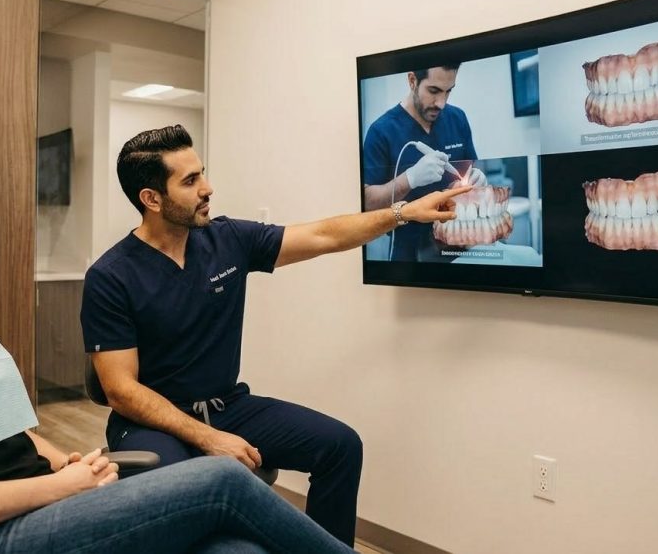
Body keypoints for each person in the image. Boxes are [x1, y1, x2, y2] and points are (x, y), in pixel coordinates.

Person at [0, 154, 359, 554]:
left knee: (235, 546)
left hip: (36, 503)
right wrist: (58, 487)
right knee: (221, 481)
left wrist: (64, 459)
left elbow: (7, 433)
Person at [81, 125, 470, 545]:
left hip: (226, 405)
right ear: (151, 199)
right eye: (190, 181)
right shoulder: (111, 276)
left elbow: (324, 235)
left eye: (203, 174)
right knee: (195, 497)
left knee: (340, 446)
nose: (207, 188)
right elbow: (121, 390)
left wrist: (404, 213)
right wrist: (208, 438)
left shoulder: (226, 239)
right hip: (150, 422)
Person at [362, 65, 485, 261]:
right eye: (434, 91)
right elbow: (367, 203)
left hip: (457, 244)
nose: (442, 103)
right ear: (412, 81)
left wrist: (475, 181)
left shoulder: (458, 118)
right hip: (410, 255)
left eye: (448, 91)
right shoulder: (381, 131)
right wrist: (409, 179)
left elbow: (471, 171)